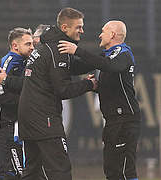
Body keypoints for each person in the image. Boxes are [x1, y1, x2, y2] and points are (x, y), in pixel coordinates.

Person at [14, 7, 97, 180]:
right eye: (78, 27)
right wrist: (89, 84)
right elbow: (63, 89)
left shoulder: (47, 46)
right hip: (45, 120)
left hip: (27, 120)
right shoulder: (57, 50)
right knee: (60, 170)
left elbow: (71, 68)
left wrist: (98, 62)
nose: (82, 30)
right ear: (65, 28)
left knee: (32, 171)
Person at [58, 20, 141, 180]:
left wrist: (77, 51)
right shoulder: (107, 56)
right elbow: (91, 67)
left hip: (125, 119)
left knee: (124, 170)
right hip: (113, 120)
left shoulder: (123, 52)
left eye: (103, 31)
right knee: (111, 170)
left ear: (112, 35)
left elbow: (110, 66)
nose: (100, 35)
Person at [0, 27, 35, 180]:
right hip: (2, 123)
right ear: (15, 46)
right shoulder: (9, 62)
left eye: (32, 43)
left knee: (11, 169)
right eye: (28, 44)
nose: (32, 47)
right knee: (10, 170)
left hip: (12, 122)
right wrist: (25, 102)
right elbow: (0, 95)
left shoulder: (23, 62)